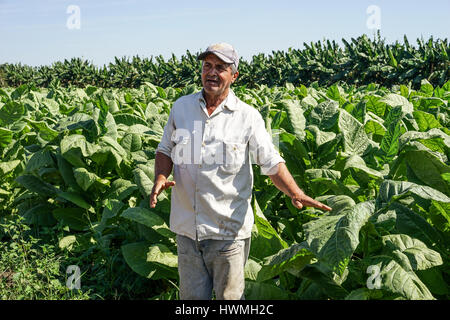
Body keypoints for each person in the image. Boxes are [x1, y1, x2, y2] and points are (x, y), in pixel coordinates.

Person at [150, 43, 332, 300]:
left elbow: (271, 162)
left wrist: (295, 192)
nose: (212, 73)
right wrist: (160, 176)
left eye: (220, 68)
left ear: (234, 76)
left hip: (227, 234)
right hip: (187, 231)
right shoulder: (181, 107)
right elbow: (165, 150)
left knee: (230, 301)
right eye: (207, 66)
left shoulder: (248, 117)